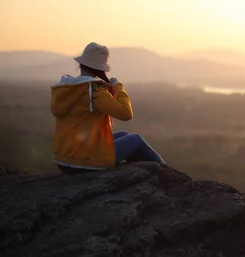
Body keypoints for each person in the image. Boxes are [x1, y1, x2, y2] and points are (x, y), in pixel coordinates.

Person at [50, 42, 165, 174]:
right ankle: (168, 174)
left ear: (81, 64)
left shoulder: (68, 88)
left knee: (124, 135)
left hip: (63, 159)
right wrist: (118, 87)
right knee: (136, 139)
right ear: (100, 69)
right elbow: (126, 114)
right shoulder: (94, 91)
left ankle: (142, 172)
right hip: (83, 161)